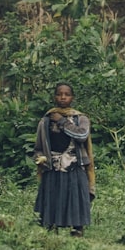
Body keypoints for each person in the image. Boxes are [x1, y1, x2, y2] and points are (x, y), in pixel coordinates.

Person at [33, 83, 95, 236]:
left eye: (66, 94)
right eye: (59, 94)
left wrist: (62, 121)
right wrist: (39, 158)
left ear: (72, 97)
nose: (63, 97)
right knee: (52, 196)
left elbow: (81, 135)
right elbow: (39, 145)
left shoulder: (80, 118)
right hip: (52, 165)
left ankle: (77, 229)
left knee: (76, 196)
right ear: (55, 97)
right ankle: (50, 228)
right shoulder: (46, 120)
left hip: (74, 164)